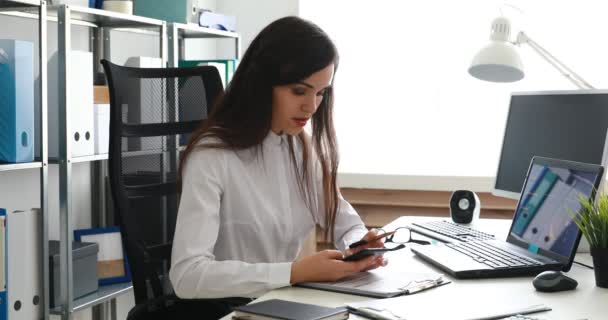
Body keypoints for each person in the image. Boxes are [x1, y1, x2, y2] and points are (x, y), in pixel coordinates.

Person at [170, 16, 387, 304]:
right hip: (227, 309)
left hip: (280, 303)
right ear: (261, 84)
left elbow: (344, 224)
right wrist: (293, 272)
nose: (311, 106)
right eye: (299, 91)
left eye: (321, 93)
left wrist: (360, 245)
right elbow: (187, 276)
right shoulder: (212, 156)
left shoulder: (300, 148)